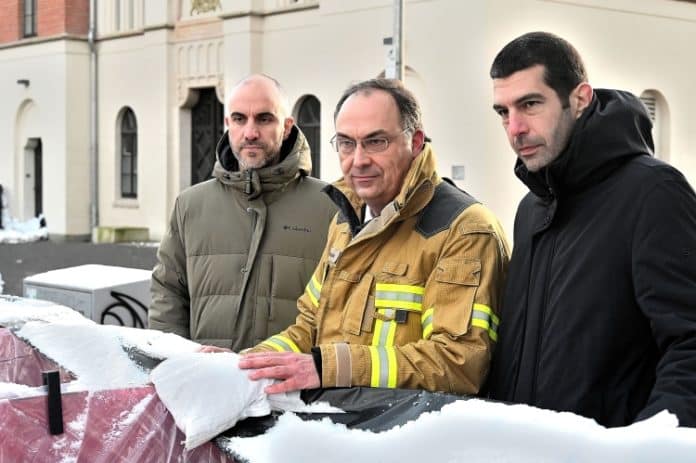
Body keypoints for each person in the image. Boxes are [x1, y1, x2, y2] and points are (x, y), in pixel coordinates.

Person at [235, 78, 510, 395]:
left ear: (416, 142)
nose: (359, 159)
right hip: (340, 428)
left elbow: (456, 365)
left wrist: (329, 367)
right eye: (346, 143)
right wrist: (244, 365)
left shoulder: (464, 230)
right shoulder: (345, 221)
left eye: (376, 142)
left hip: (404, 440)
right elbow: (309, 327)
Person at [486, 31, 696, 427]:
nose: (515, 128)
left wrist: (647, 449)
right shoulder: (530, 209)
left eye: (530, 104)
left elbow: (690, 343)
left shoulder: (653, 191)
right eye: (503, 112)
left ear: (580, 99)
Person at [149, 74, 337, 351]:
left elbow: (343, 311)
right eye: (239, 119)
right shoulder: (190, 205)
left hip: (293, 390)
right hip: (205, 383)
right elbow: (168, 293)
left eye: (264, 119)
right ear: (228, 125)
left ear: (286, 127)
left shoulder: (330, 207)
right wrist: (177, 361)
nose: (250, 132)